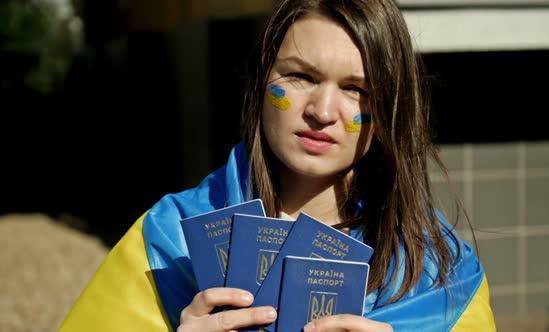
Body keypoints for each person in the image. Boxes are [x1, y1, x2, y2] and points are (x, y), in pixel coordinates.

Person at [59, 0, 496, 331]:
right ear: (261, 80)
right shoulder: (165, 240)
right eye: (301, 76)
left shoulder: (444, 275)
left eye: (356, 89)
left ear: (393, 108)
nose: (323, 111)